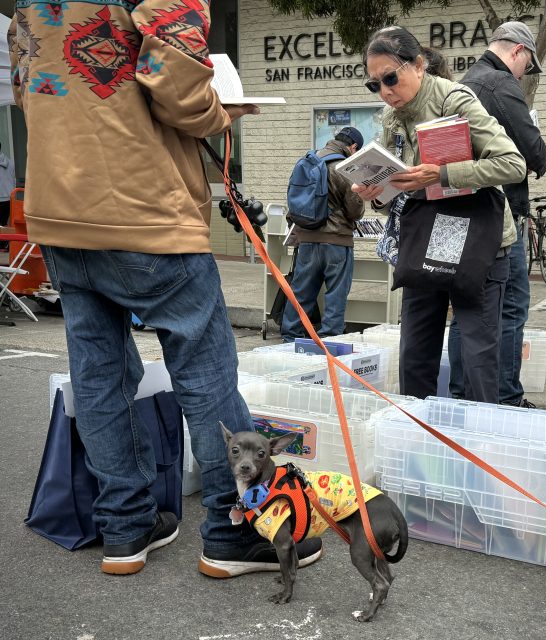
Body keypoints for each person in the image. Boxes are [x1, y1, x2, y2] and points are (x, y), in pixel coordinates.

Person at [8, 3, 321, 575]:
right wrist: (219, 113)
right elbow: (179, 92)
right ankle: (233, 531)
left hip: (58, 211)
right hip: (144, 208)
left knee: (99, 373)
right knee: (204, 374)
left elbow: (32, 89)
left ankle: (126, 529)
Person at [353, 26, 526, 402]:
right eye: (374, 84)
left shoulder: (455, 100)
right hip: (426, 239)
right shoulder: (390, 119)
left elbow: (513, 164)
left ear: (418, 65)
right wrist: (375, 193)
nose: (384, 91)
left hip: (479, 240)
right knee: (414, 351)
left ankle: (479, 443)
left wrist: (443, 173)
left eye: (390, 78)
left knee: (478, 355)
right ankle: (418, 438)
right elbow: (393, 186)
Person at [447, 21, 546, 407]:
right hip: (499, 214)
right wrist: (542, 161)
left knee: (466, 309)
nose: (525, 72)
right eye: (528, 63)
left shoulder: (461, 85)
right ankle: (506, 396)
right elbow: (530, 146)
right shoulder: (500, 83)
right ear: (518, 51)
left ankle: (460, 393)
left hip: (461, 215)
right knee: (511, 305)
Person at [280, 126, 366, 342]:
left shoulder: (309, 160)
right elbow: (355, 211)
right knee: (336, 293)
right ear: (353, 147)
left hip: (306, 239)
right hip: (336, 241)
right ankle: (330, 340)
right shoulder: (345, 167)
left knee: (301, 292)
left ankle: (290, 337)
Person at [0, 142, 15, 252]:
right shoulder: (9, 161)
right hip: (9, 197)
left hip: (1, 196)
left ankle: (2, 245)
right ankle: (5, 244)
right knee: (4, 223)